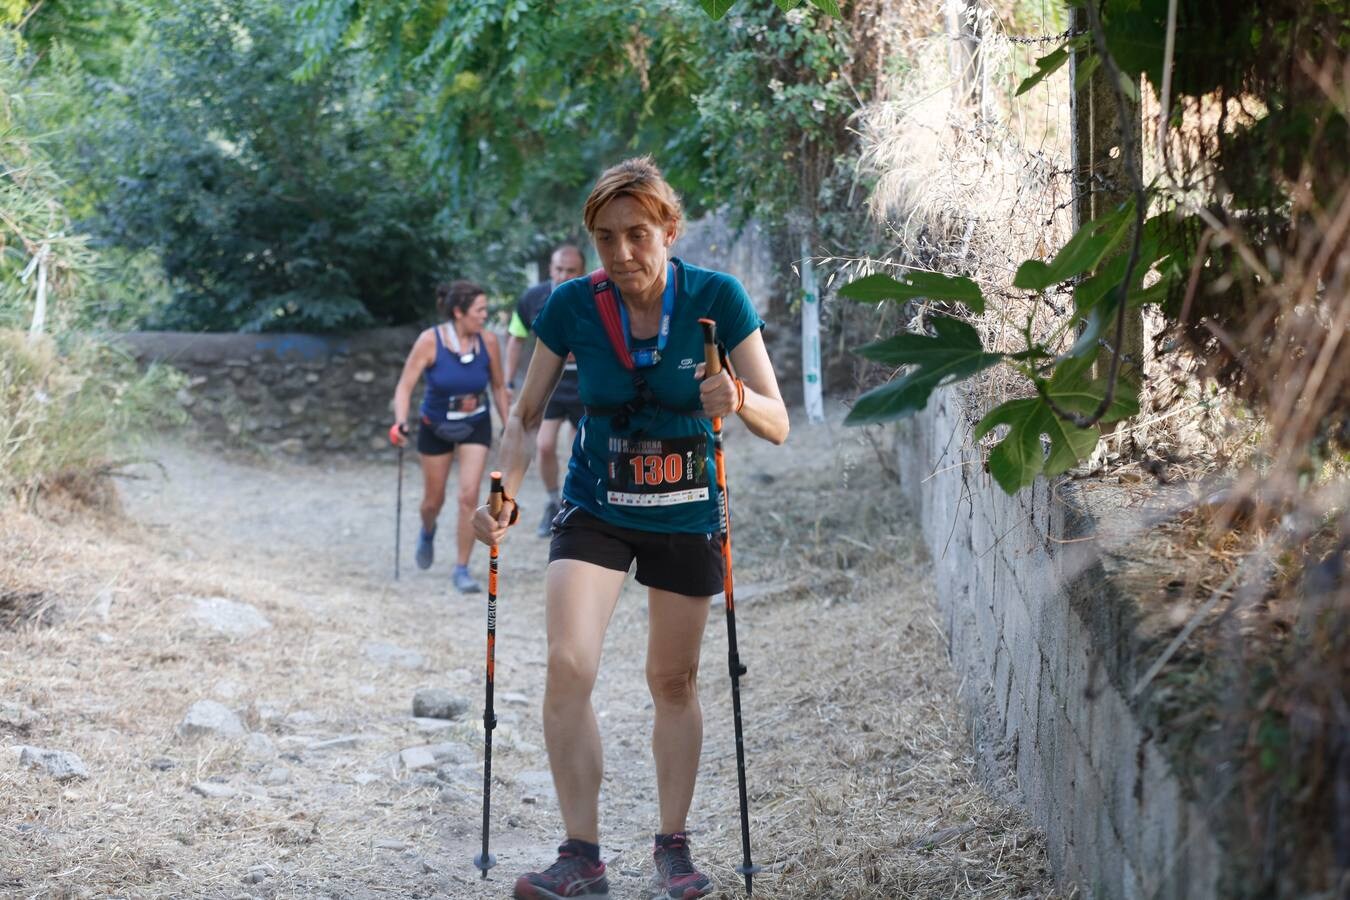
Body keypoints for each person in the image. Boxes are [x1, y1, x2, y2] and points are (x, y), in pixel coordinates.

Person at [474, 157, 788, 900]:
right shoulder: (571, 304)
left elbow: (776, 422)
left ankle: (672, 848)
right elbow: (524, 417)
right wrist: (501, 496)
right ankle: (581, 856)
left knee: (671, 680)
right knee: (569, 665)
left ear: (669, 232)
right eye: (606, 237)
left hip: (685, 510)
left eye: (637, 236)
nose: (621, 254)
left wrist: (736, 394)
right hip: (597, 505)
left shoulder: (718, 299)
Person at [390, 280, 509, 594]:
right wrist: (400, 421)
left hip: (475, 425)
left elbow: (498, 386)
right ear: (459, 312)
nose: (485, 315)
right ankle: (427, 530)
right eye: (480, 310)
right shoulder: (430, 341)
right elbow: (404, 386)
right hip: (436, 426)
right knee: (433, 500)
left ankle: (461, 568)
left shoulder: (489, 342)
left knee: (468, 496)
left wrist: (509, 424)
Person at [504, 244, 588, 537]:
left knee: (582, 449)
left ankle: (575, 504)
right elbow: (515, 338)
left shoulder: (593, 294)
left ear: (582, 271)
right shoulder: (533, 298)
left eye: (571, 271)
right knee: (544, 445)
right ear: (550, 269)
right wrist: (507, 381)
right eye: (558, 269)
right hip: (549, 383)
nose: (563, 275)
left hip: (584, 384)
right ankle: (552, 501)